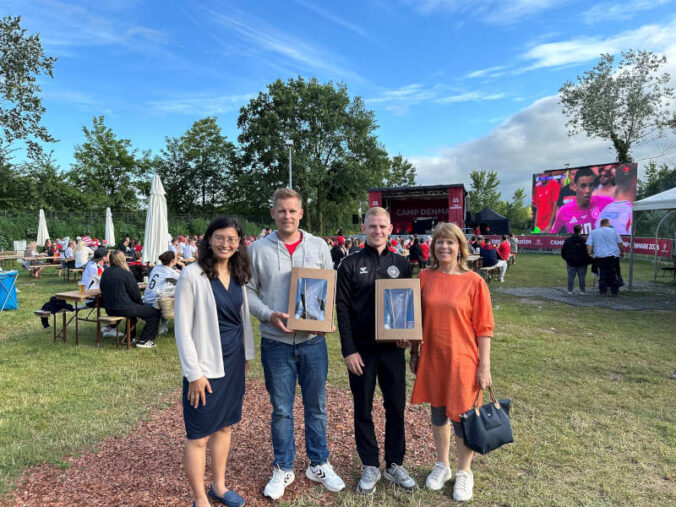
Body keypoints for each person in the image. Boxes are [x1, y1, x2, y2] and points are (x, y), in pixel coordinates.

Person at [246, 188, 345, 500]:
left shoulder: (318, 246)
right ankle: (283, 466)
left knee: (317, 407)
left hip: (312, 342)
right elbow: (247, 292)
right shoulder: (258, 249)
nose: (287, 215)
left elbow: (329, 288)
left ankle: (318, 463)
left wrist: (326, 318)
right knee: (281, 410)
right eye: (281, 210)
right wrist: (268, 313)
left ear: (301, 213)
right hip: (276, 342)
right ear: (273, 213)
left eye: (293, 211)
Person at [336, 207, 418, 495]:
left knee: (395, 407)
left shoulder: (401, 263)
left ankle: (395, 463)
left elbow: (406, 303)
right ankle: (370, 464)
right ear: (364, 228)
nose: (377, 231)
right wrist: (349, 350)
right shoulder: (349, 264)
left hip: (392, 351)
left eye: (382, 226)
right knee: (363, 408)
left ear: (391, 228)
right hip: (361, 352)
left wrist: (406, 335)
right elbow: (342, 310)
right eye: (372, 226)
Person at [410, 222, 494, 502]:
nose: (444, 247)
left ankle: (464, 472)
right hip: (433, 356)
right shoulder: (424, 277)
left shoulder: (474, 282)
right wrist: (413, 351)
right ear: (432, 247)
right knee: (438, 413)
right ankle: (443, 465)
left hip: (463, 360)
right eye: (439, 242)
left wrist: (485, 366)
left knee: (462, 418)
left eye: (450, 242)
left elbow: (484, 328)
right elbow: (413, 319)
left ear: (460, 247)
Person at [174, 216, 254, 507]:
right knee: (198, 435)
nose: (225, 243)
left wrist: (247, 355)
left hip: (232, 363)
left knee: (225, 427)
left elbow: (242, 319)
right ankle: (199, 499)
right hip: (205, 366)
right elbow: (182, 329)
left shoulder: (237, 271)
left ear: (239, 243)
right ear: (209, 239)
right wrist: (194, 374)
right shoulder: (192, 275)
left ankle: (218, 487)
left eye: (232, 239)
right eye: (220, 237)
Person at [100, 250, 160, 348]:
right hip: (123, 308)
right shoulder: (126, 273)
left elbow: (102, 289)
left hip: (109, 308)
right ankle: (143, 340)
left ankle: (130, 337)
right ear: (122, 259)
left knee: (133, 310)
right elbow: (135, 293)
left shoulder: (105, 272)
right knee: (154, 313)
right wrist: (141, 304)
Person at [548, 167, 614, 234]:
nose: (587, 190)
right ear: (575, 187)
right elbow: (553, 237)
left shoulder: (606, 202)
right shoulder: (564, 211)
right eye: (583, 186)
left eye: (591, 185)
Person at [143, 250, 181, 335]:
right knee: (173, 297)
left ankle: (163, 324)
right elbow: (184, 278)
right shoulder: (171, 272)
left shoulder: (157, 267)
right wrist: (181, 267)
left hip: (145, 299)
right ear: (172, 260)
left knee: (167, 293)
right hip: (154, 303)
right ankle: (163, 325)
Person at [586, 218, 624, 296]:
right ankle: (614, 291)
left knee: (602, 273)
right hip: (612, 256)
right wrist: (622, 252)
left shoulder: (594, 232)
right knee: (612, 273)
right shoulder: (613, 231)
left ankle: (603, 291)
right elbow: (620, 243)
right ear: (607, 223)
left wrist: (590, 253)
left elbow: (589, 244)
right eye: (609, 223)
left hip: (600, 256)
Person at [561, 224, 591, 295]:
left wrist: (567, 259)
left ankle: (570, 291)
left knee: (571, 276)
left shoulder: (568, 240)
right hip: (582, 262)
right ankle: (582, 291)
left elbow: (563, 251)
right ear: (581, 231)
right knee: (582, 277)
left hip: (571, 262)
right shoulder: (583, 240)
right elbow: (588, 251)